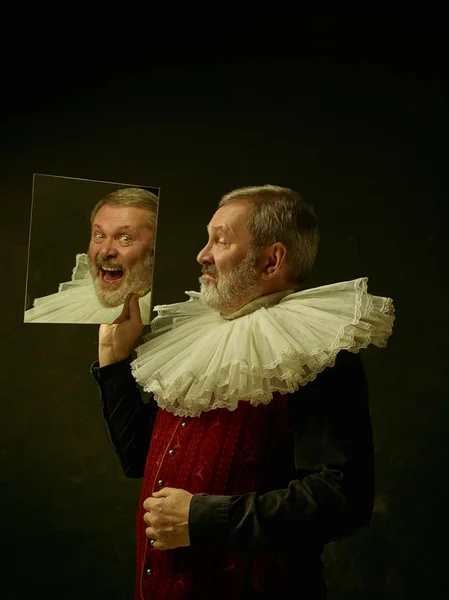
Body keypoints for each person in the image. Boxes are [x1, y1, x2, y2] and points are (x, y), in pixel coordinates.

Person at [91, 185, 394, 599]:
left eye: (220, 240)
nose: (203, 254)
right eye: (207, 238)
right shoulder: (192, 336)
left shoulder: (319, 354)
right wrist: (114, 362)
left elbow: (343, 498)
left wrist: (204, 518)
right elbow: (138, 458)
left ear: (272, 260)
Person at [24, 187, 158, 324]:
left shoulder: (157, 316)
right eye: (99, 236)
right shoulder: (74, 303)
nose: (105, 251)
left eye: (125, 239)